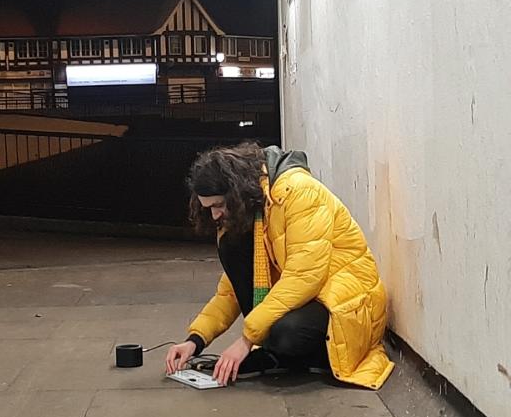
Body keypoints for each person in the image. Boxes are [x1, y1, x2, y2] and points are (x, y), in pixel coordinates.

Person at [165, 143, 394, 390]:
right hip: (311, 294)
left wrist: (246, 340)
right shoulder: (255, 205)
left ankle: (303, 356)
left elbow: (304, 278)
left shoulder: (300, 192)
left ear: (236, 191)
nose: (215, 215)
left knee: (285, 333)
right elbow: (232, 290)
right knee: (232, 245)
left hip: (346, 303)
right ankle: (281, 353)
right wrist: (196, 340)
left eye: (218, 205)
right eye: (209, 208)